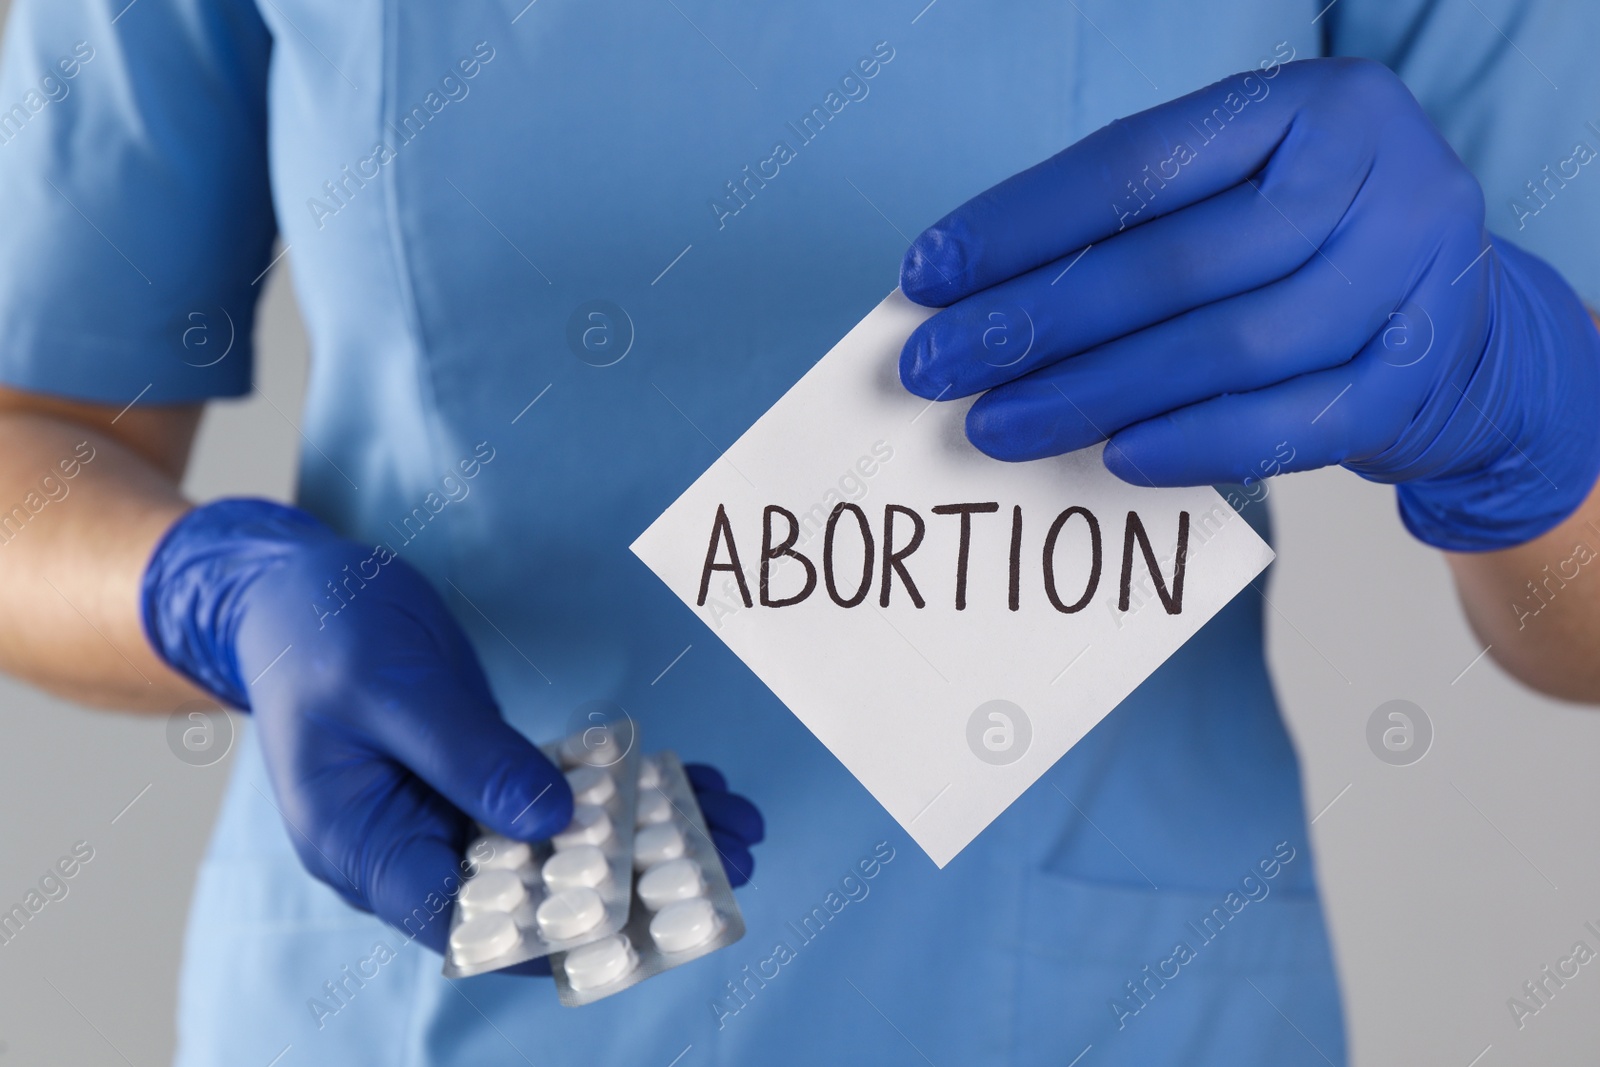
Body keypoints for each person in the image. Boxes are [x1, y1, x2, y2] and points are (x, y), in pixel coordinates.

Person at [0, 1, 1596, 1063]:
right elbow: (33, 446)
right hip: (410, 992)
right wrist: (213, 593)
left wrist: (1515, 409)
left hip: (1110, 1007)